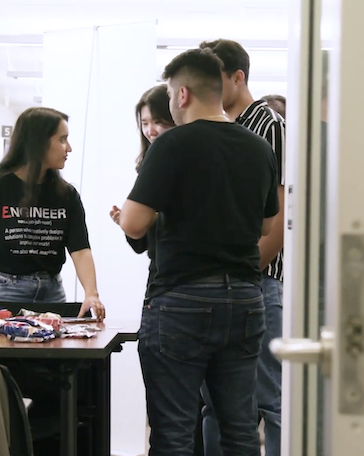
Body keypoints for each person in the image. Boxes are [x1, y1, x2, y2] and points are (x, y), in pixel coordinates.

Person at [119, 48, 279, 456]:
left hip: (182, 299)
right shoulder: (258, 147)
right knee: (240, 428)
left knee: (173, 433)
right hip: (245, 298)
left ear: (182, 94)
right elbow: (265, 226)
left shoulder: (172, 145)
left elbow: (134, 224)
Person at [200, 38, 287, 456]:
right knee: (218, 403)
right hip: (219, 283)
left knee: (272, 398)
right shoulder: (216, 128)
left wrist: (245, 270)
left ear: (238, 77)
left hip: (258, 281)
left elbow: (280, 216)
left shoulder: (269, 126)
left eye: (214, 79)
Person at [0, 107, 105, 319]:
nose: (69, 148)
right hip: (0, 290)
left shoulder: (66, 194)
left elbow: (80, 249)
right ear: (39, 142)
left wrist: (91, 293)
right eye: (62, 139)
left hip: (50, 291)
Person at [109, 84, 176, 287]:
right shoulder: (149, 164)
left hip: (177, 274)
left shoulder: (181, 160)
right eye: (145, 123)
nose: (150, 131)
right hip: (159, 271)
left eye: (158, 122)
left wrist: (152, 218)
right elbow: (141, 245)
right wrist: (130, 222)